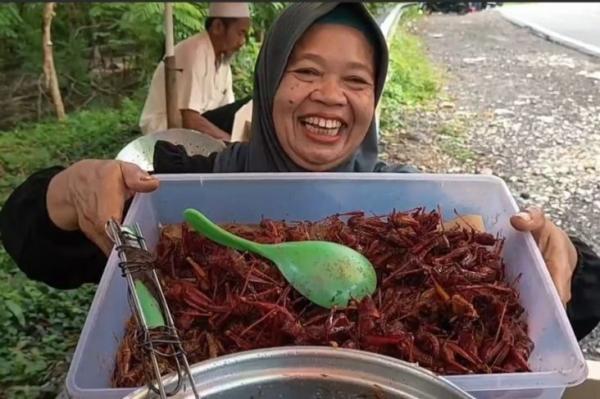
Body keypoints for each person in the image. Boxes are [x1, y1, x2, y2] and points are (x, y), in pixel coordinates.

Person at [1, 2, 598, 340]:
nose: (331, 96)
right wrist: (65, 192)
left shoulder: (417, 203)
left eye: (356, 80)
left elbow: (580, 285)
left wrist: (551, 251)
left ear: (374, 99)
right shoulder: (180, 186)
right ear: (268, 82)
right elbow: (31, 238)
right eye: (306, 71)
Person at [139, 2, 252, 140]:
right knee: (251, 102)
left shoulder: (223, 63)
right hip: (164, 129)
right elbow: (190, 120)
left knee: (248, 107)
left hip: (200, 127)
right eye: (240, 33)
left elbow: (228, 113)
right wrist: (230, 141)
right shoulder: (194, 52)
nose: (242, 42)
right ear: (218, 27)